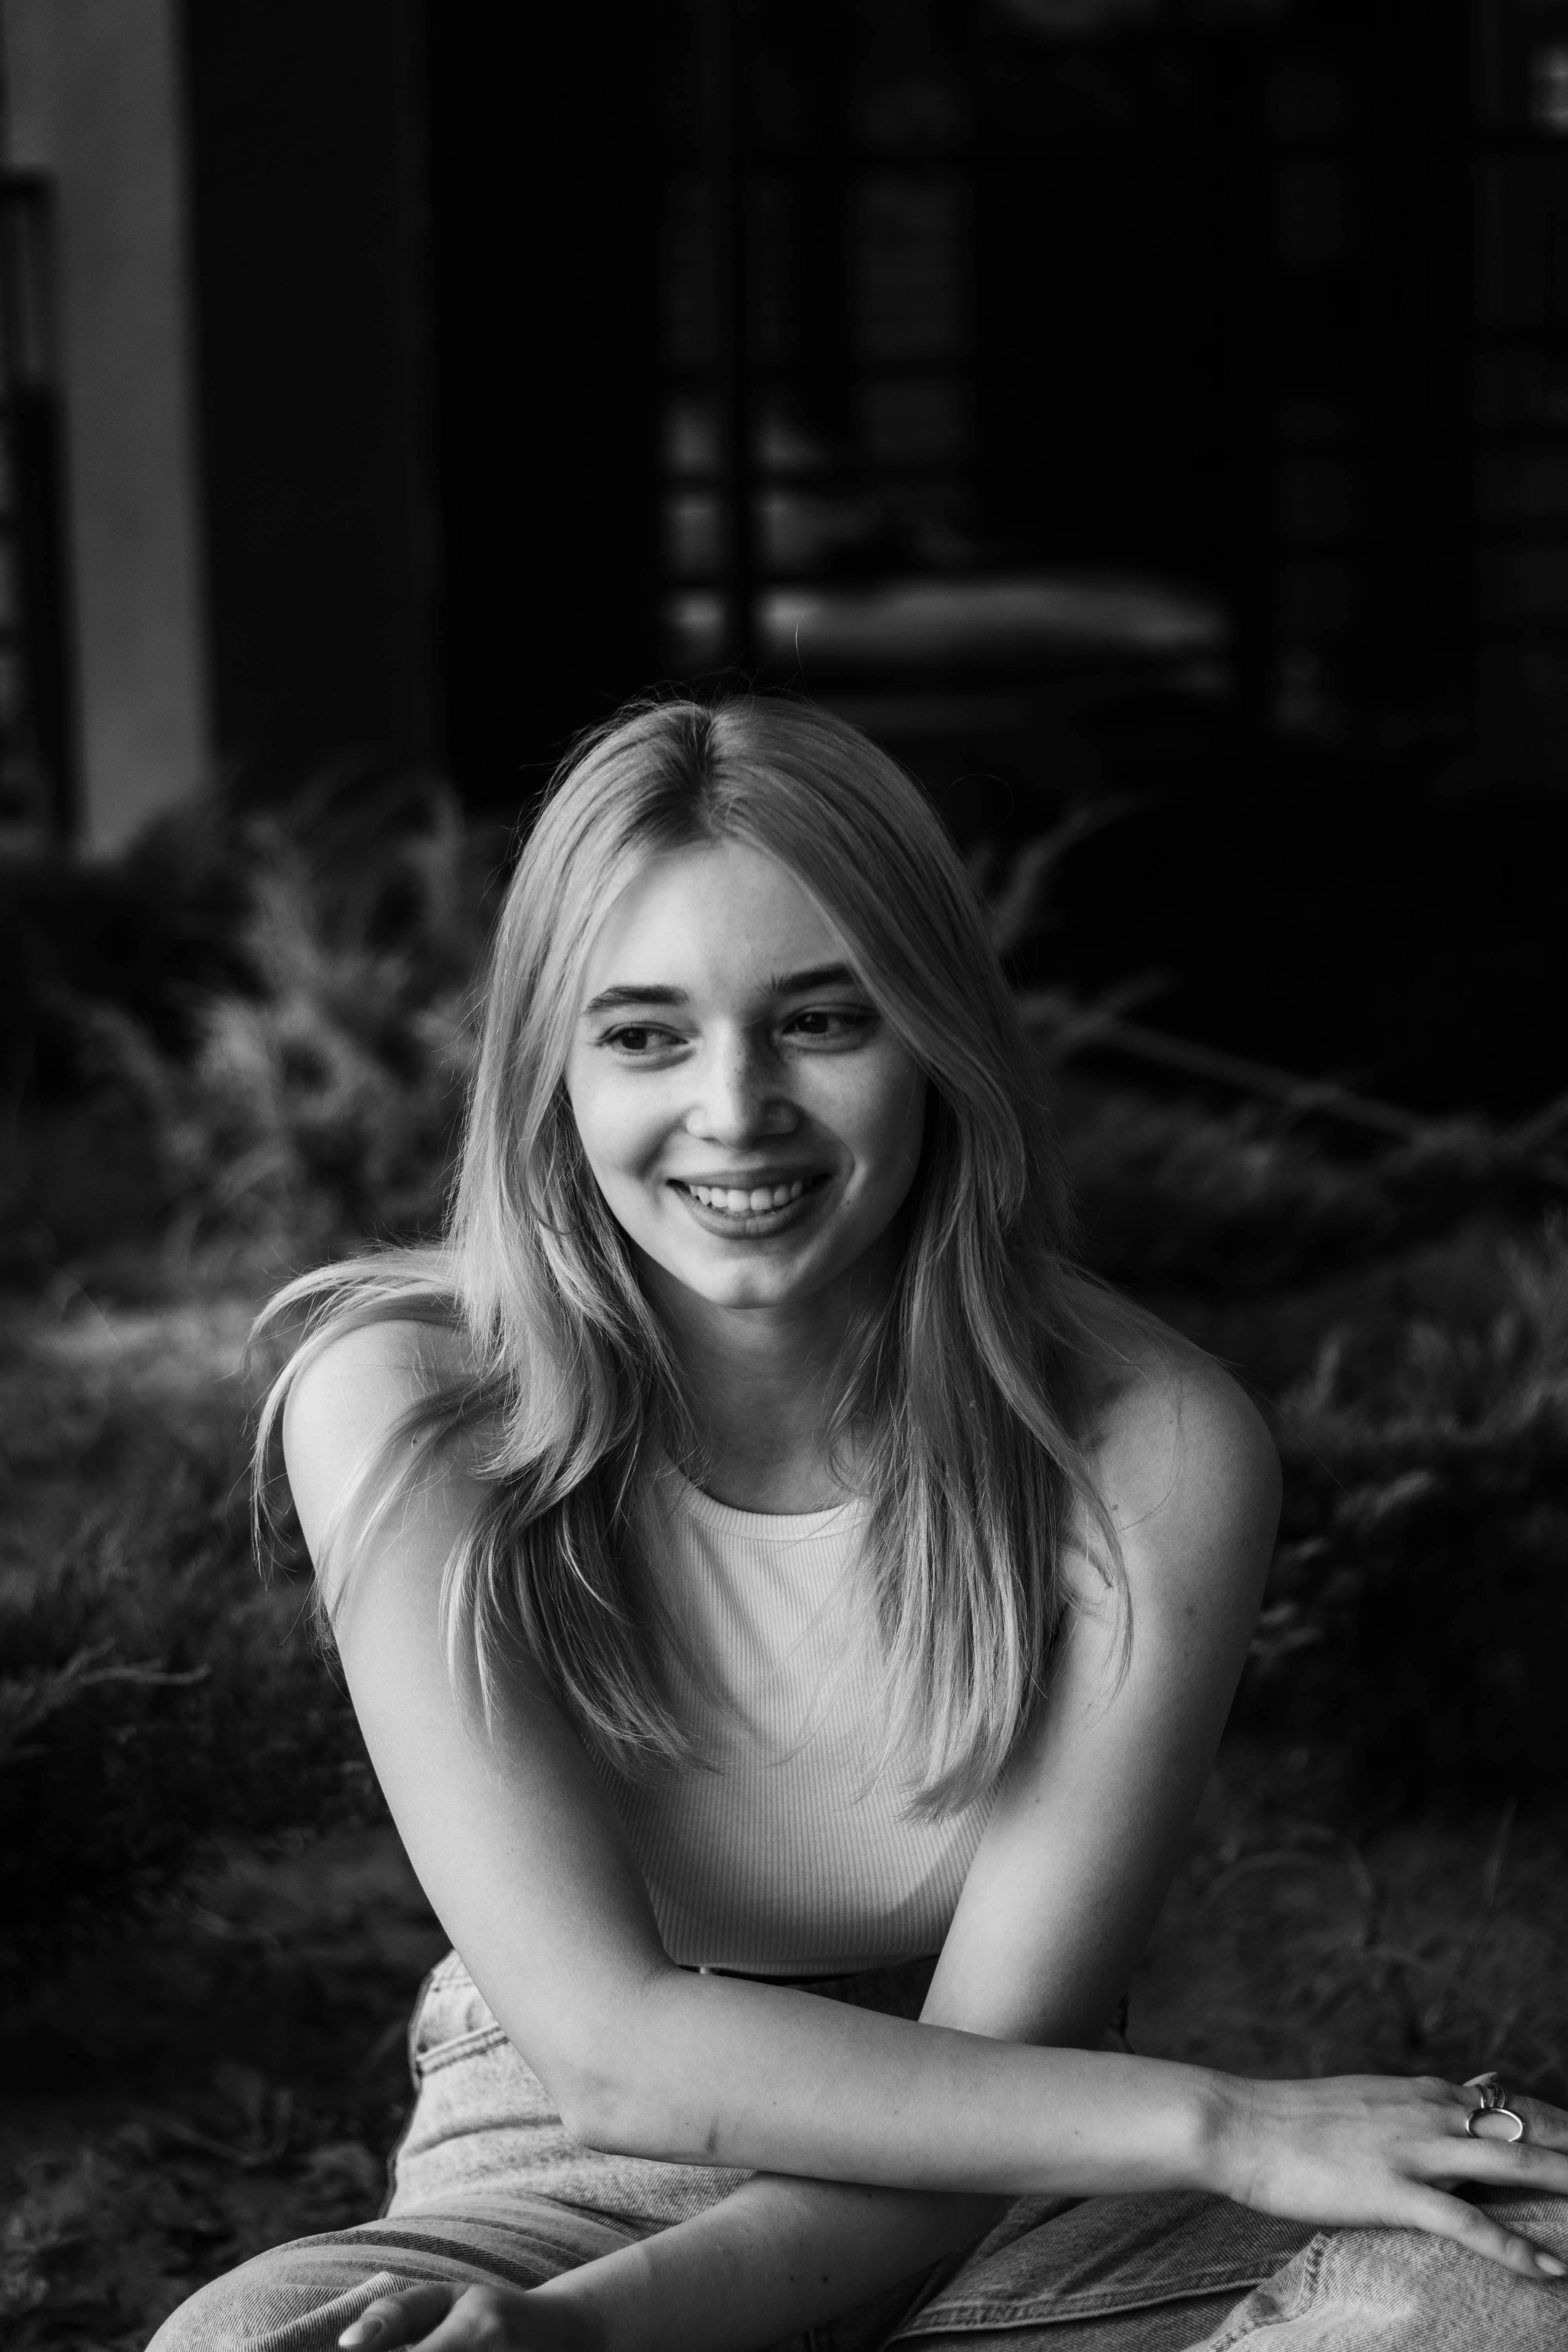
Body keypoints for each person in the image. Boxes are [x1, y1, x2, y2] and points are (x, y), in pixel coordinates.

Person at [151, 696, 1568, 2352]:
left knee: (1507, 2274)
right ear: (549, 1069)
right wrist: (1232, 2123)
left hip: (1011, 2173)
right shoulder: (404, 1404)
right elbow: (607, 2050)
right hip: (569, 2165)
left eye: (822, 1021)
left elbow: (986, 2095)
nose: (736, 1108)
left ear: (937, 1041)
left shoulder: (1146, 1444)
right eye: (645, 1034)